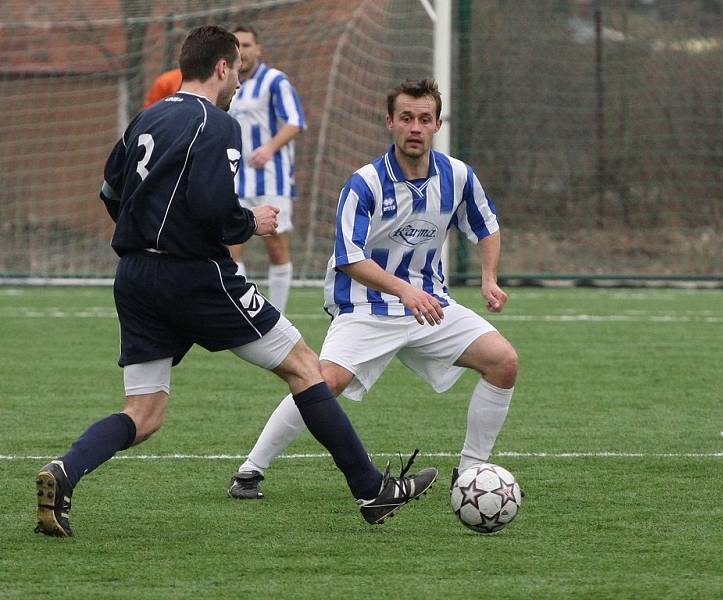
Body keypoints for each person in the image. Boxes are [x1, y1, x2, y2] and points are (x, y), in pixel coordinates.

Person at [33, 27, 436, 538]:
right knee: (305, 367)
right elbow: (210, 207)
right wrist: (251, 223)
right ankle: (371, 490)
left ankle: (65, 471)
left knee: (144, 412)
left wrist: (149, 231)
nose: (239, 81)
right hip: (196, 274)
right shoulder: (217, 124)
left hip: (134, 275)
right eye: (237, 71)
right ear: (222, 67)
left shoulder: (147, 116)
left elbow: (111, 192)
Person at [228, 78, 518, 501]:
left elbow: (486, 225)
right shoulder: (364, 183)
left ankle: (471, 474)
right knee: (321, 382)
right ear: (390, 123)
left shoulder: (458, 176)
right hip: (364, 305)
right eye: (406, 118)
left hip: (430, 305)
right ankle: (250, 471)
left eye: (424, 118)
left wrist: (489, 277)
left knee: (504, 363)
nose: (415, 127)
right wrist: (404, 290)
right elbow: (349, 256)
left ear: (437, 124)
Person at [226, 25, 306, 314]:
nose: (243, 51)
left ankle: (279, 316)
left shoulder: (274, 81)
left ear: (258, 49)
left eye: (248, 45)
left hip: (272, 181)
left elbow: (295, 121)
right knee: (230, 248)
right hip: (235, 182)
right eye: (238, 46)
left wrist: (269, 148)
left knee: (276, 248)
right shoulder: (228, 84)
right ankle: (243, 314)